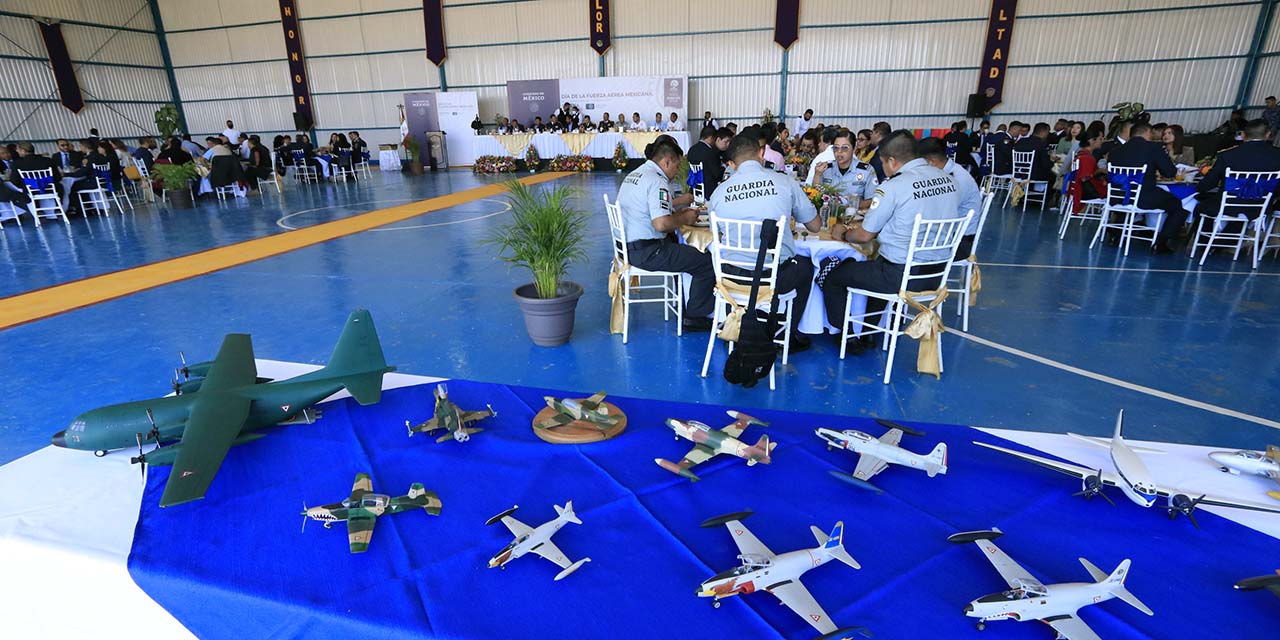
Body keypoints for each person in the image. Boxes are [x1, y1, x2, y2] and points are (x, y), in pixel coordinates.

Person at [818, 131, 961, 353]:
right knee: (876, 266)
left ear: (892, 161)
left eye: (883, 162)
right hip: (937, 274)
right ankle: (869, 334)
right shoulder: (949, 180)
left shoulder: (894, 186)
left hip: (899, 274)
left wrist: (843, 234)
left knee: (834, 274)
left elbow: (865, 235)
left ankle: (847, 337)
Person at [706, 132, 821, 351]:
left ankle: (740, 322)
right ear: (761, 153)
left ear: (731, 163)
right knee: (806, 267)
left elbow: (719, 237)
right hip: (774, 279)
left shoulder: (719, 193)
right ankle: (789, 334)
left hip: (733, 278)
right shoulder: (785, 182)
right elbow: (814, 226)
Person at [616, 138, 714, 332]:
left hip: (627, 248)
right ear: (667, 161)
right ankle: (694, 316)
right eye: (677, 166)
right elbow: (661, 224)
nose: (677, 172)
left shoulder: (636, 174)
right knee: (706, 262)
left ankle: (683, 300)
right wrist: (685, 218)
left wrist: (678, 213)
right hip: (647, 251)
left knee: (683, 250)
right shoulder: (657, 180)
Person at [1106, 121, 1186, 253]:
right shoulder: (1153, 148)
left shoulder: (1115, 151)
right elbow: (1170, 172)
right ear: (1147, 133)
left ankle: (1118, 232)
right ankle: (1161, 242)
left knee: (1131, 199)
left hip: (1117, 196)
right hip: (1142, 197)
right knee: (1178, 206)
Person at [1194, 118, 1280, 228]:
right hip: (1260, 208)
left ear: (1243, 135)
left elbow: (1208, 184)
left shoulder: (1227, 156)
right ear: (1268, 135)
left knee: (1201, 205)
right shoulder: (1277, 156)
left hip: (1227, 207)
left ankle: (1206, 241)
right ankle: (1233, 240)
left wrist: (1198, 187)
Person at [919, 137, 982, 258]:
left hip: (958, 242)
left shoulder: (956, 180)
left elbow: (936, 212)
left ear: (931, 162)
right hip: (949, 234)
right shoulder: (947, 171)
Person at [816, 129, 878, 213]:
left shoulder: (866, 170)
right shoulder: (825, 169)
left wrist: (852, 204)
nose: (839, 152)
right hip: (830, 216)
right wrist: (817, 175)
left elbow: (872, 199)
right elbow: (816, 196)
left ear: (854, 148)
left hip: (855, 219)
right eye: (836, 148)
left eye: (845, 148)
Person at [1071, 129, 1107, 210]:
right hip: (1086, 192)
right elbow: (1084, 178)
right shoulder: (1087, 158)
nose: (1102, 141)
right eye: (1100, 139)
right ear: (1091, 140)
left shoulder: (1080, 154)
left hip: (1079, 189)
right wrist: (1099, 171)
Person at [686, 125, 727, 197]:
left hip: (695, 184)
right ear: (711, 138)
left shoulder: (692, 149)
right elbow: (717, 174)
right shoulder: (710, 152)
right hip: (708, 187)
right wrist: (724, 166)